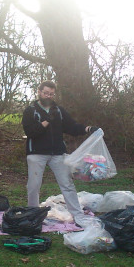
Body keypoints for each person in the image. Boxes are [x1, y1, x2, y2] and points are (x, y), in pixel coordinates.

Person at [21, 80, 98, 224]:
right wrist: (45, 122)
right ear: (39, 92)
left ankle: (78, 216)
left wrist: (87, 129)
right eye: (45, 93)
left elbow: (72, 127)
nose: (48, 96)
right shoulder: (30, 110)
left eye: (51, 94)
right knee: (34, 185)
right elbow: (30, 132)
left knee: (67, 184)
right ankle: (33, 215)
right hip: (36, 153)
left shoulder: (59, 110)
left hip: (57, 153)